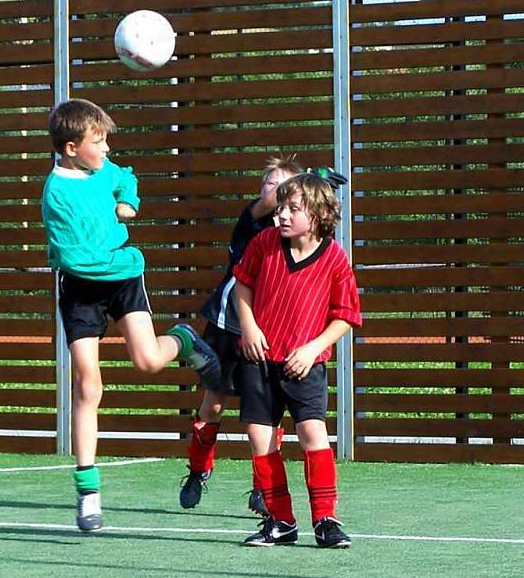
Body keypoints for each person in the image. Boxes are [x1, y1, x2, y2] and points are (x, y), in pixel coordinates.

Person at [41, 98, 221, 532]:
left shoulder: (103, 169)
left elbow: (126, 176)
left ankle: (183, 339)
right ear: (70, 148)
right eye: (97, 142)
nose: (105, 149)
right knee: (88, 385)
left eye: (105, 141)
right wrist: (115, 251)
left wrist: (129, 202)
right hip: (84, 285)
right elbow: (78, 258)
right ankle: (88, 492)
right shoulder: (57, 194)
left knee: (147, 362)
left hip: (123, 275)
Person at [232, 168, 362, 548]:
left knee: (311, 432)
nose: (282, 216)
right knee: (260, 436)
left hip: (305, 365)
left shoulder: (335, 259)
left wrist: (311, 349)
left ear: (319, 215)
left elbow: (346, 316)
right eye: (280, 208)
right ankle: (281, 520)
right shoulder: (264, 244)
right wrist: (250, 327)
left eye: (293, 208)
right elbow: (242, 284)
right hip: (259, 360)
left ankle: (325, 519)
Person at [179, 156, 303, 515]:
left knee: (265, 417)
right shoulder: (251, 223)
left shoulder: (293, 234)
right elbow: (271, 201)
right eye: (269, 184)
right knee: (213, 405)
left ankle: (262, 489)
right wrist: (309, 179)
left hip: (266, 333)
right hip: (226, 328)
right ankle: (198, 471)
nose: (274, 191)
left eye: (283, 185)